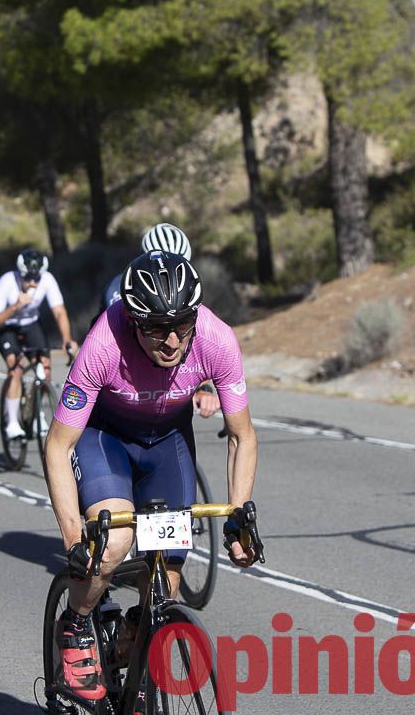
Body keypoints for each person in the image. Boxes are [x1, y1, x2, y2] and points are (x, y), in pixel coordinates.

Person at [42, 250, 260, 700]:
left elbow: (241, 436)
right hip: (105, 437)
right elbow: (58, 445)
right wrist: (73, 540)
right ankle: (77, 625)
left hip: (167, 443)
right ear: (133, 320)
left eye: (182, 324)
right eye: (156, 328)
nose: (172, 341)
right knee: (114, 544)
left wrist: (238, 517)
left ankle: (133, 653)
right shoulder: (104, 343)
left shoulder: (216, 339)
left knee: (167, 580)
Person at [100, 224, 220, 418]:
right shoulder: (120, 290)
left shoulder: (185, 292)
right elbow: (117, 346)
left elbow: (193, 346)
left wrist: (204, 386)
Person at [0, 249, 78, 441]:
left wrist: (67, 339)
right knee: (16, 369)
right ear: (20, 273)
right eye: (28, 278)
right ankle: (12, 422)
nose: (33, 282)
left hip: (30, 326)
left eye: (36, 278)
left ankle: (37, 415)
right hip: (6, 328)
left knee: (44, 370)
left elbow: (59, 311)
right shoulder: (7, 282)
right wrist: (14, 307)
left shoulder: (47, 280)